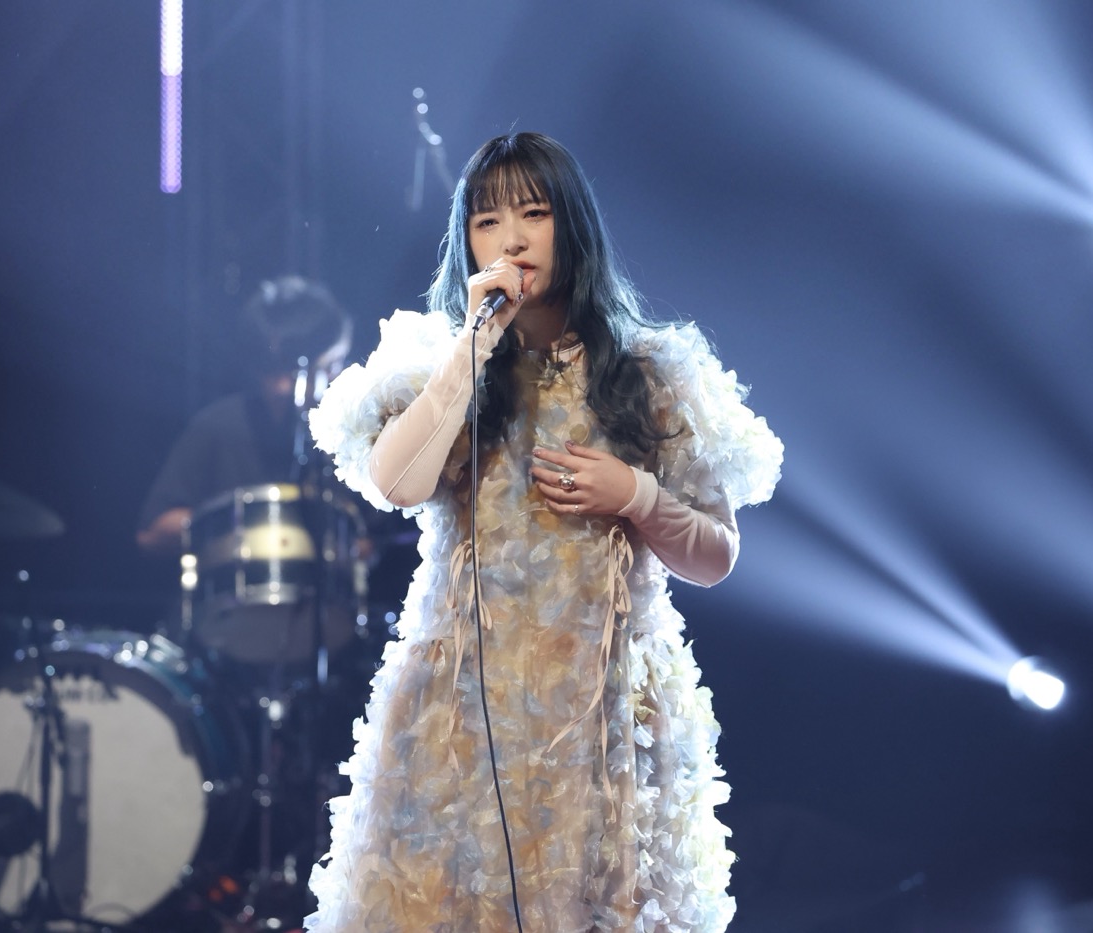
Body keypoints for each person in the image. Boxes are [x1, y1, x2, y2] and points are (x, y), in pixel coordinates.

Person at [305, 132, 783, 932]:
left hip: (602, 724)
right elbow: (395, 483)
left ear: (572, 224)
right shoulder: (440, 366)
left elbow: (716, 556)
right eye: (487, 221)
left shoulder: (648, 374)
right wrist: (472, 348)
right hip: (459, 717)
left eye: (533, 213)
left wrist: (636, 494)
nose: (513, 239)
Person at [137, 275, 353, 554]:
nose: (337, 376)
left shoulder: (342, 436)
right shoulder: (217, 427)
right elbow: (153, 531)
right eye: (331, 365)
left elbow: (371, 534)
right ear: (289, 371)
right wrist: (244, 523)